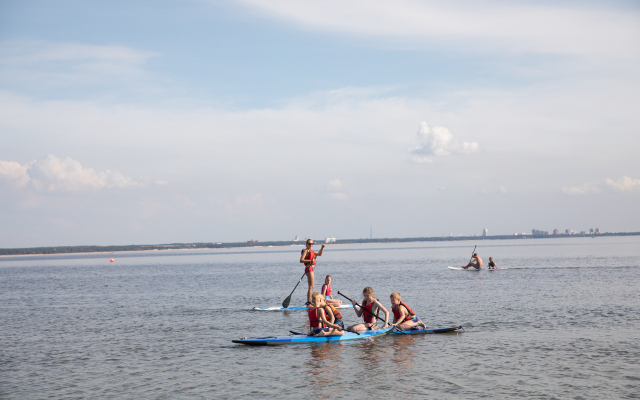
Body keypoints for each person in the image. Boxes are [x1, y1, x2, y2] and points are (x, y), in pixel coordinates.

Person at [300, 239, 325, 305]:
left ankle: (309, 301)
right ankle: (308, 302)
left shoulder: (312, 251)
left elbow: (319, 254)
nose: (311, 245)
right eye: (309, 244)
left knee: (311, 286)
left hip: (311, 269)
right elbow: (301, 260)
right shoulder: (306, 251)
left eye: (312, 244)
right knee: (311, 286)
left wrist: (322, 248)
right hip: (309, 268)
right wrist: (310, 260)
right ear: (306, 244)